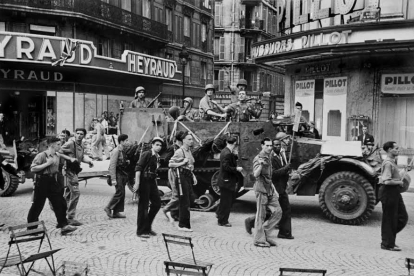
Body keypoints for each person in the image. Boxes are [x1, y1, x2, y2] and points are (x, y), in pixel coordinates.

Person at [27, 137, 77, 235]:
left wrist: (70, 159)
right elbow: (33, 169)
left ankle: (63, 225)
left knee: (60, 203)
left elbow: (60, 160)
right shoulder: (41, 155)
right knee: (37, 205)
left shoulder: (57, 155)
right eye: (58, 144)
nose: (60, 146)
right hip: (42, 182)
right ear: (51, 145)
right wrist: (47, 164)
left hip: (53, 181)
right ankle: (31, 229)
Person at [251, 138, 282, 247]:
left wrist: (275, 190)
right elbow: (255, 174)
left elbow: (269, 176)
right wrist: (260, 165)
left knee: (278, 212)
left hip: (270, 190)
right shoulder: (258, 158)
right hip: (261, 190)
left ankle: (265, 233)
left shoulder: (269, 157)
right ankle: (259, 240)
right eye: (267, 145)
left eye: (270, 145)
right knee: (261, 216)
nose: (269, 147)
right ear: (262, 146)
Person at [60, 128, 94, 226]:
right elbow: (59, 152)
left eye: (81, 134)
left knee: (68, 193)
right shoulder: (70, 143)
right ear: (74, 134)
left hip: (75, 170)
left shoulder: (81, 145)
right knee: (76, 193)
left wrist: (89, 162)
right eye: (77, 133)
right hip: (69, 171)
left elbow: (81, 157)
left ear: (84, 136)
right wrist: (69, 158)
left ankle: (61, 211)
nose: (79, 135)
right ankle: (70, 217)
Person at [379, 141, 408, 251]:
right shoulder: (388, 163)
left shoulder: (392, 161)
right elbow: (386, 181)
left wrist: (402, 172)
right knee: (390, 219)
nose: (398, 150)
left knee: (402, 217)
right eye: (396, 148)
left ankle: (388, 239)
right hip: (388, 192)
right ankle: (387, 244)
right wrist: (399, 183)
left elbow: (393, 176)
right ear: (389, 150)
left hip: (394, 192)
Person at [132, 137, 163, 238]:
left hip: (151, 182)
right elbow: (138, 168)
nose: (159, 147)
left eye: (160, 145)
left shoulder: (157, 156)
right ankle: (141, 231)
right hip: (144, 181)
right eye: (157, 145)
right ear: (152, 145)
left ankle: (147, 227)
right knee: (143, 206)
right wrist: (137, 183)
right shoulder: (147, 154)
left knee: (157, 203)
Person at [168, 131, 198, 232]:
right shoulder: (180, 151)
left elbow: (190, 165)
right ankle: (183, 225)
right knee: (184, 202)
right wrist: (181, 163)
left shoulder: (189, 151)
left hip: (188, 176)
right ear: (183, 140)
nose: (191, 141)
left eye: (191, 139)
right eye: (189, 139)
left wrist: (193, 175)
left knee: (189, 200)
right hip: (181, 177)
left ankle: (184, 223)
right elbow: (170, 164)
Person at [216, 136, 243, 227]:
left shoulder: (225, 151)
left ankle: (220, 215)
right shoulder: (227, 153)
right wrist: (237, 169)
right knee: (226, 202)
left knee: (225, 200)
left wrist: (234, 155)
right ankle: (223, 221)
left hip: (225, 180)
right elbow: (226, 167)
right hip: (227, 181)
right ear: (235, 143)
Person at [104, 134, 130, 219]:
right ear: (121, 141)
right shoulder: (116, 151)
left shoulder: (123, 150)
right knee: (119, 192)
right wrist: (113, 178)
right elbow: (112, 165)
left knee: (122, 193)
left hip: (122, 174)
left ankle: (116, 212)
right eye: (126, 140)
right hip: (117, 174)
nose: (127, 142)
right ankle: (108, 207)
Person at [162, 131, 184, 223]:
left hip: (179, 172)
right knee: (176, 194)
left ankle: (175, 214)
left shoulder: (180, 148)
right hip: (173, 172)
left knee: (180, 194)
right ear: (181, 140)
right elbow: (167, 160)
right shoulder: (173, 148)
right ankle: (166, 209)